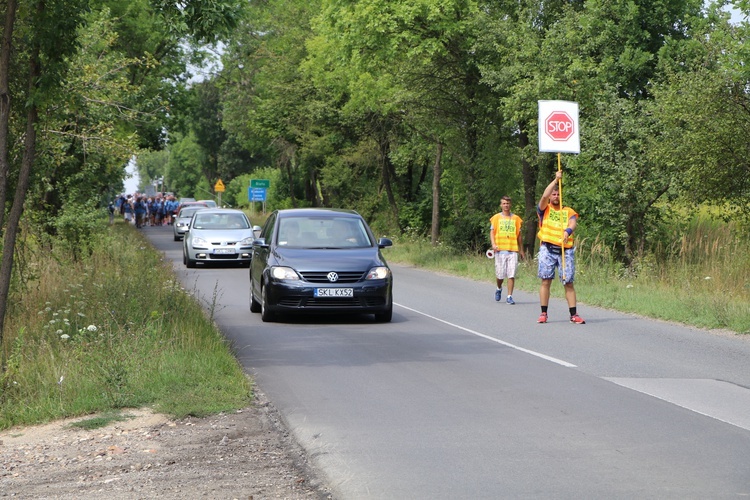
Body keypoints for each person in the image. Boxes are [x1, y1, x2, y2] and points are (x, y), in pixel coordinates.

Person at [536, 170, 585, 324]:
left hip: (566, 251)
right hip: (548, 249)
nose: (556, 196)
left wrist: (567, 231)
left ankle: (574, 314)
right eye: (554, 194)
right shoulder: (545, 209)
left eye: (558, 194)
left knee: (568, 282)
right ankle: (543, 313)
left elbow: (573, 223)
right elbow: (544, 196)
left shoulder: (568, 211)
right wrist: (556, 180)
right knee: (546, 280)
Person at [489, 196, 525, 304]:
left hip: (513, 249)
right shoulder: (496, 218)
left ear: (511, 205)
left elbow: (519, 236)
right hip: (500, 250)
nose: (506, 205)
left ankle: (509, 296)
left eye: (508, 203)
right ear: (501, 205)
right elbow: (492, 232)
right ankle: (499, 288)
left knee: (511, 274)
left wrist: (521, 250)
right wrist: (493, 244)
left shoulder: (516, 219)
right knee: (500, 275)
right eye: (504, 203)